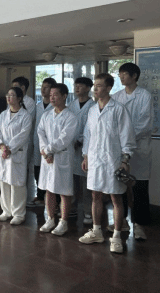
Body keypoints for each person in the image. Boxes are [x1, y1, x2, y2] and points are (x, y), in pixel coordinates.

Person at [79, 73, 136, 254]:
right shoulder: (92, 110)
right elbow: (88, 135)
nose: (95, 89)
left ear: (109, 88)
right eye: (94, 85)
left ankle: (117, 236)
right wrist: (86, 156)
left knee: (115, 197)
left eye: (99, 85)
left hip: (113, 160)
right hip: (95, 159)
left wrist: (125, 160)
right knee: (95, 195)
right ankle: (96, 231)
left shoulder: (118, 109)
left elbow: (127, 137)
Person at [112, 63, 153, 240]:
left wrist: (126, 138)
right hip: (120, 148)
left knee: (140, 187)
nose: (121, 77)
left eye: (124, 74)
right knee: (121, 186)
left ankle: (140, 225)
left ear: (134, 76)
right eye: (120, 74)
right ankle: (121, 221)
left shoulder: (144, 96)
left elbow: (145, 123)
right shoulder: (116, 97)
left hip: (139, 147)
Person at [37, 84, 79, 236]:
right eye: (50, 95)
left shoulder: (71, 117)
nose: (52, 98)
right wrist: (45, 151)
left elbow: (64, 139)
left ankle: (63, 222)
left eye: (55, 94)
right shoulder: (46, 115)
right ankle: (50, 219)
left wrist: (48, 150)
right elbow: (40, 132)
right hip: (47, 158)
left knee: (64, 191)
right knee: (49, 189)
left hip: (62, 157)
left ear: (64, 96)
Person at [0, 87, 32, 225]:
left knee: (17, 184)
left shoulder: (25, 116)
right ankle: (6, 211)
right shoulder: (3, 114)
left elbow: (23, 135)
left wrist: (9, 148)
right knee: (4, 182)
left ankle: (18, 214)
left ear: (19, 98)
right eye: (7, 95)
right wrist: (1, 146)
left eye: (12, 95)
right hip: (3, 152)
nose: (8, 97)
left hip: (16, 153)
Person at [68, 78, 96, 224]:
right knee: (72, 181)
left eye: (80, 86)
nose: (77, 88)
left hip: (87, 148)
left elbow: (91, 129)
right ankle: (72, 207)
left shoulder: (93, 106)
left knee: (86, 183)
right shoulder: (71, 105)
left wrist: (80, 140)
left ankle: (87, 211)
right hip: (72, 147)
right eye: (76, 86)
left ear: (88, 88)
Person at [28, 77, 56, 207]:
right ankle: (40, 195)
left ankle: (52, 199)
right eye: (42, 87)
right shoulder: (38, 106)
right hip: (37, 142)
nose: (43, 90)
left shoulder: (54, 107)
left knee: (50, 171)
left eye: (46, 87)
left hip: (50, 144)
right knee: (37, 169)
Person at [11, 76, 37, 207]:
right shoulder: (11, 103)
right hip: (10, 143)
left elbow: (26, 122)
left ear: (22, 88)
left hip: (24, 141)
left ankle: (24, 199)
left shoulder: (30, 102)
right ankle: (13, 201)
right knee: (12, 171)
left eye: (15, 88)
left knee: (23, 170)